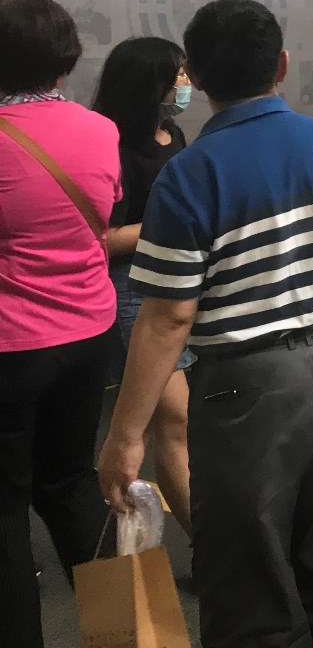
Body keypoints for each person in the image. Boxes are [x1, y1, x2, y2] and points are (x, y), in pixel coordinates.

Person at [98, 0, 313, 648]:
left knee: (248, 589)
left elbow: (167, 318)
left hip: (248, 393)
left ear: (198, 75)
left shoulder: (190, 175)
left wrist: (124, 437)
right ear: (282, 66)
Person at [0, 0, 121, 648]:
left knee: (5, 510)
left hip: (12, 345)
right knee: (71, 485)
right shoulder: (100, 130)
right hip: (89, 333)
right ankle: (130, 633)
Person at [91, 35, 195, 535]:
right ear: (150, 83)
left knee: (172, 424)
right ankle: (214, 552)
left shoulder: (172, 133)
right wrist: (166, 224)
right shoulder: (111, 146)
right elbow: (103, 239)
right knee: (173, 419)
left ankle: (211, 550)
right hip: (132, 290)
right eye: (178, 74)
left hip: (181, 284)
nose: (187, 82)